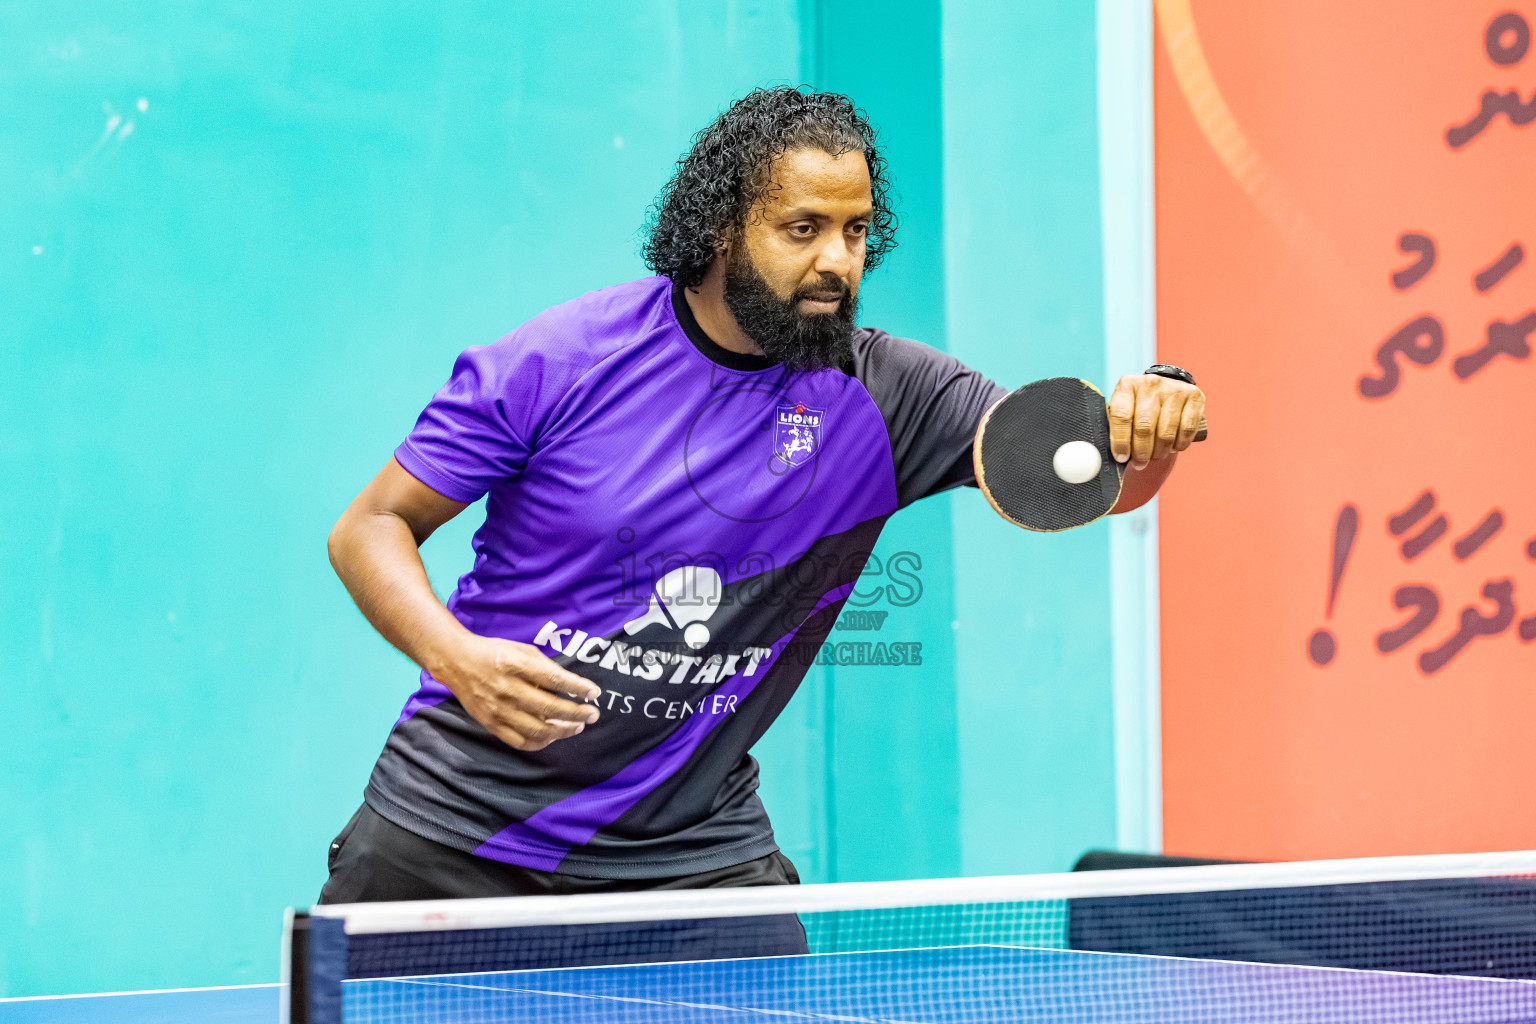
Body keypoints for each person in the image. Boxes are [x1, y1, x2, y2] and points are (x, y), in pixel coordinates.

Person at [319, 87, 1205, 926]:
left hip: (691, 853)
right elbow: (371, 525)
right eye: (803, 229)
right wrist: (456, 656)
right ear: (718, 230)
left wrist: (1149, 432)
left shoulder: (888, 396)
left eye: (856, 231)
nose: (838, 261)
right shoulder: (563, 360)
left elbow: (1093, 483)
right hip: (458, 831)